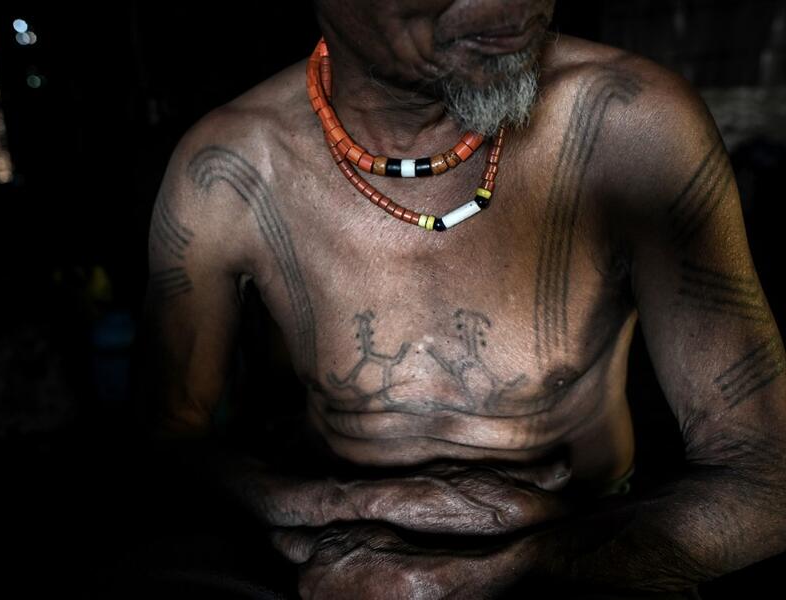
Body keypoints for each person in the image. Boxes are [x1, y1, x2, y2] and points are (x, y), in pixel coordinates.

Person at [141, 1, 786, 598]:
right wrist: (332, 507)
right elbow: (166, 442)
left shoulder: (629, 121)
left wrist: (506, 570)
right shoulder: (227, 167)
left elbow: (771, 479)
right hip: (341, 562)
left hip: (589, 549)